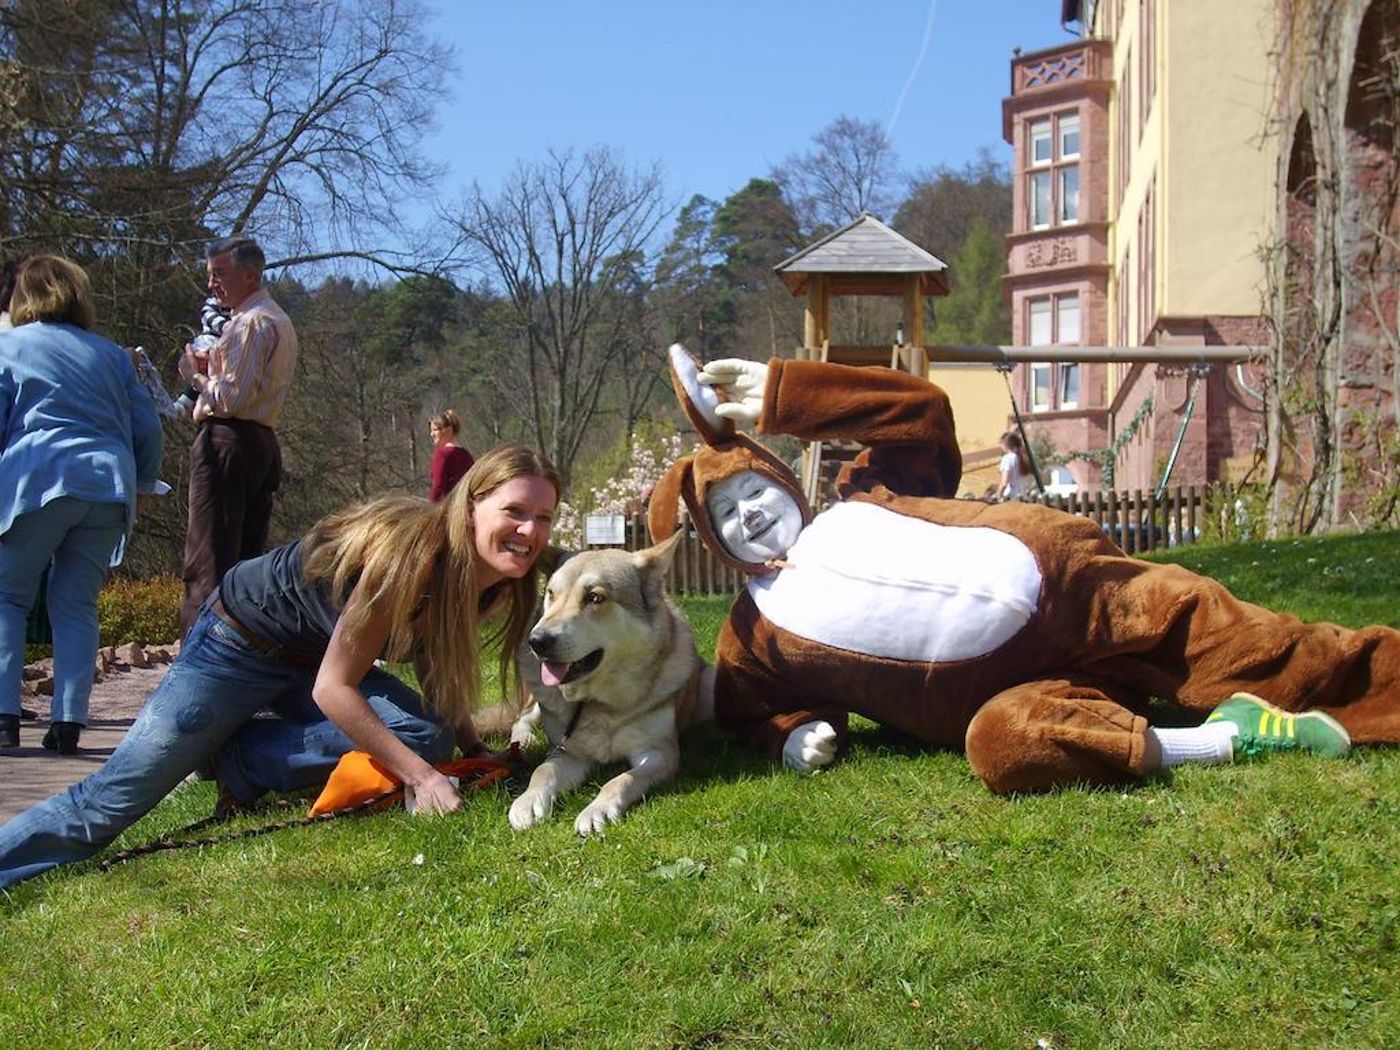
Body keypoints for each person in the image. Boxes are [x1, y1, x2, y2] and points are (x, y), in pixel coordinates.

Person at [650, 345, 1399, 795]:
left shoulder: (863, 494)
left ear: (781, 480)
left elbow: (919, 413)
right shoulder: (753, 637)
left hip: (1078, 590)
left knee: (1247, 644)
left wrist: (784, 394)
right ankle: (1228, 738)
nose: (748, 515)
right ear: (713, 542)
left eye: (753, 491)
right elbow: (752, 708)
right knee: (1004, 746)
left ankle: (1376, 686)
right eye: (726, 516)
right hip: (1009, 688)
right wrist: (792, 732)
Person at [0, 444, 561, 887]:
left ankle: (239, 757)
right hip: (239, 643)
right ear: (469, 506)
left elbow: (436, 662)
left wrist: (470, 749)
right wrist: (422, 778)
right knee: (110, 804)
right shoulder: (408, 557)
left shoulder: (494, 584)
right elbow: (335, 690)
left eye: (543, 517)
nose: (529, 531)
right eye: (514, 511)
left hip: (317, 651)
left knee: (424, 734)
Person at [0, 256, 165, 753]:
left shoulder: (9, 346)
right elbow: (149, 427)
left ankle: (4, 718)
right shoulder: (113, 356)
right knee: (76, 604)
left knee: (7, 597)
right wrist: (144, 483)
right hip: (106, 485)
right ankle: (68, 722)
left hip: (38, 478)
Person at [178, 236, 298, 636]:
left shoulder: (251, 323)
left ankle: (199, 656)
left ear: (250, 274)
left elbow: (229, 398)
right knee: (243, 566)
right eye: (210, 275)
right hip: (261, 442)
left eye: (219, 274)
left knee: (208, 560)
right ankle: (236, 657)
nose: (212, 284)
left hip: (228, 443)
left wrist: (193, 376)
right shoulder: (276, 318)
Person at [428, 409, 475, 502]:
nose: (431, 434)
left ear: (448, 430)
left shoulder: (442, 454)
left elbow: (438, 486)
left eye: (434, 430)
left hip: (448, 507)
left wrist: (428, 509)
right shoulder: (466, 454)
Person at [997, 429, 1034, 500]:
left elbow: (1004, 482)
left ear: (1005, 444)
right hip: (1024, 497)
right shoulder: (1023, 458)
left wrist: (998, 494)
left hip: (1012, 496)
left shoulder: (1007, 458)